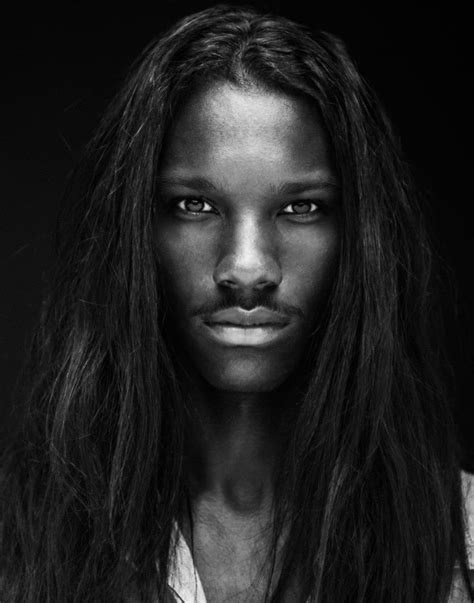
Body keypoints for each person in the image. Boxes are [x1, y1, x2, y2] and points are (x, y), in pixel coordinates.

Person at [0, 4, 472, 602]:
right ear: (133, 231)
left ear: (361, 236)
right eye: (195, 206)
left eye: (301, 208)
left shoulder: (459, 545)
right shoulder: (21, 546)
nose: (247, 268)